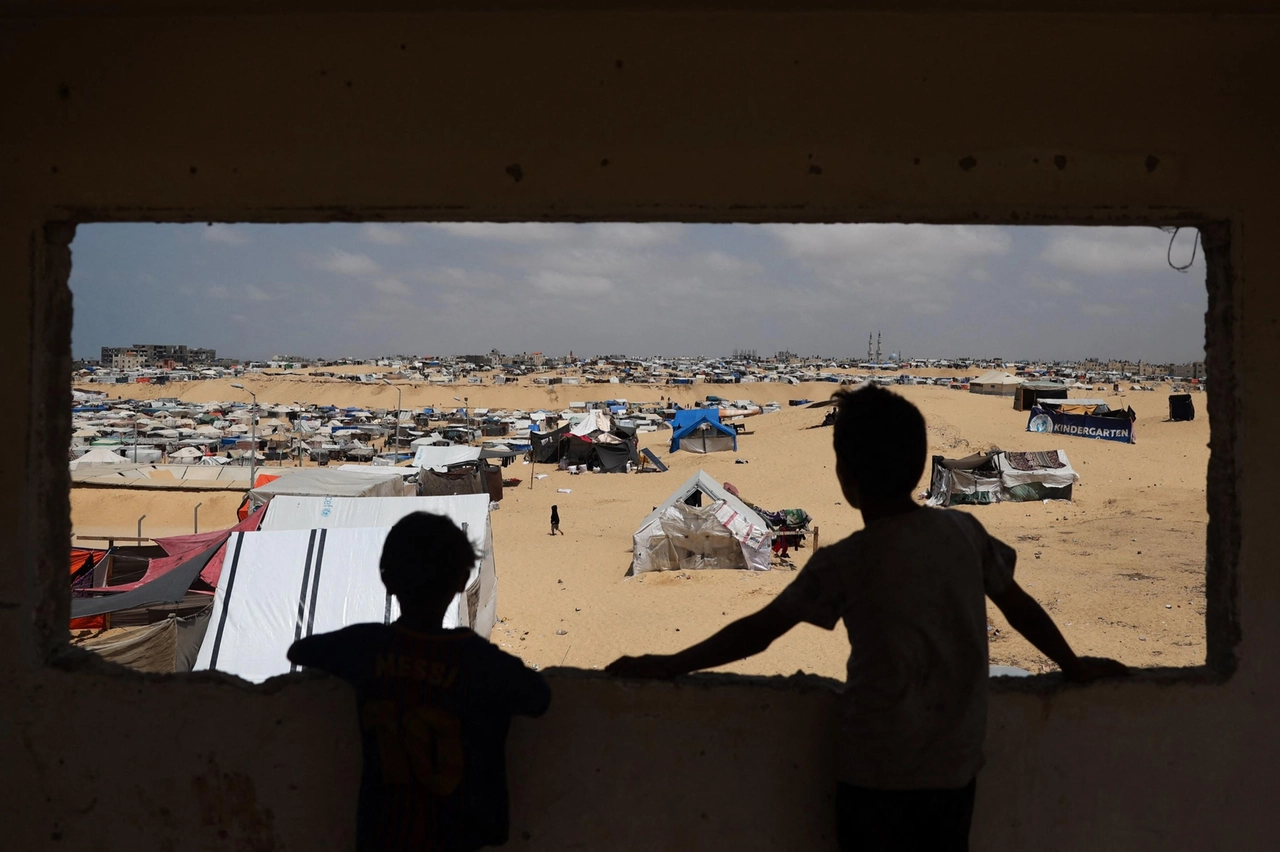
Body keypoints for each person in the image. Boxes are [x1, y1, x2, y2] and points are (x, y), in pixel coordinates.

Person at [607, 385, 1127, 851]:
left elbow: (759, 631)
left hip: (872, 774)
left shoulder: (845, 561)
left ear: (845, 477)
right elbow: (1019, 607)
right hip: (954, 770)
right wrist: (1072, 664)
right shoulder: (964, 535)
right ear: (921, 466)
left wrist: (672, 663)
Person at [288, 512, 550, 852]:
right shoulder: (476, 660)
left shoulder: (367, 646)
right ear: (461, 580)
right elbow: (538, 697)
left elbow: (301, 650)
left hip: (385, 834)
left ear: (387, 579)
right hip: (459, 836)